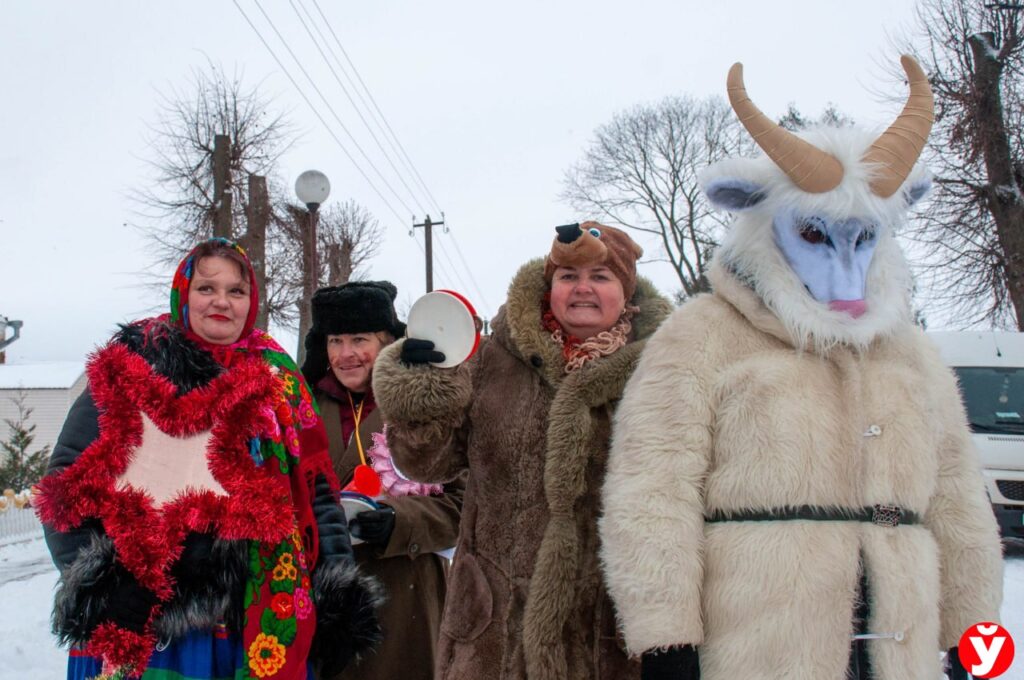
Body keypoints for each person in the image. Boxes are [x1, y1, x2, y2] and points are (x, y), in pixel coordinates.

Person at [599, 57, 1004, 680]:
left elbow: (956, 502)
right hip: (760, 649)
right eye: (816, 236)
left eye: (864, 239)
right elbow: (653, 493)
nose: (847, 278)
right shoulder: (703, 335)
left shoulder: (910, 353)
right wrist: (666, 639)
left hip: (900, 647)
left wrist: (975, 635)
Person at [35, 238, 383, 680]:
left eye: (236, 291)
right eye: (206, 288)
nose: (222, 301)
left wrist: (337, 594)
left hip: (258, 621)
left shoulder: (280, 377)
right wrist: (104, 585)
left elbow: (318, 495)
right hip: (154, 623)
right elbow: (64, 488)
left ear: (251, 300)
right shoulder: (138, 363)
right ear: (184, 292)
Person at [371, 223, 673, 680]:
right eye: (568, 276)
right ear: (549, 287)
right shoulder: (492, 360)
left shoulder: (663, 372)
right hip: (494, 632)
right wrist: (422, 394)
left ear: (627, 292)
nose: (583, 288)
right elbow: (426, 464)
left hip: (608, 638)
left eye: (601, 276)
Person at [300, 281, 464, 680]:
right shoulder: (300, 405)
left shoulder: (425, 404)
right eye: (335, 340)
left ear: (389, 340)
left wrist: (400, 521)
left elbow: (463, 503)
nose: (346, 354)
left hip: (405, 598)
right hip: (318, 598)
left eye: (360, 339)